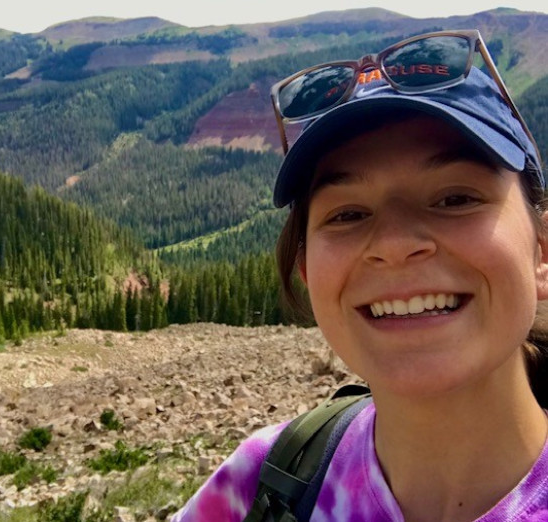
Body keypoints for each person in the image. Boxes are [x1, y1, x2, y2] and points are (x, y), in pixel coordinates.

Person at [171, 30, 548, 521]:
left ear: (542, 253)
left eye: (455, 199)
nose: (394, 244)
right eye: (348, 214)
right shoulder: (257, 483)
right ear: (308, 272)